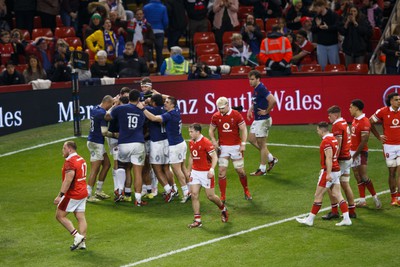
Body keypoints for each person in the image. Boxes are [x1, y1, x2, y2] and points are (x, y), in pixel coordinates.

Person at [296, 122, 352, 227]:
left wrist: (328, 173)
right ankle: (347, 218)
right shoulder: (334, 139)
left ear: (321, 130)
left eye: (317, 130)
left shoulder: (326, 142)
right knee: (337, 194)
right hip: (336, 170)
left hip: (329, 171)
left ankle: (310, 219)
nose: (317, 132)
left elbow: (329, 158)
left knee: (318, 195)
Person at [138, 96, 191, 203]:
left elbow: (153, 118)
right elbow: (168, 98)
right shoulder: (176, 110)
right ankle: (188, 189)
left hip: (173, 145)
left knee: (173, 169)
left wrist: (143, 108)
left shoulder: (168, 115)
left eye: (167, 102)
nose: (165, 103)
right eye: (164, 102)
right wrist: (156, 94)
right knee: (179, 168)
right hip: (180, 143)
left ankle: (184, 192)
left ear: (172, 105)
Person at [105, 89, 147, 206]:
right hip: (138, 143)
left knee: (122, 167)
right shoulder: (142, 111)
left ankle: (119, 190)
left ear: (129, 98)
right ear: (138, 99)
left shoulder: (120, 109)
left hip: (123, 143)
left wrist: (114, 106)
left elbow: (107, 117)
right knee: (137, 172)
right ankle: (138, 200)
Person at [209, 97, 252, 203]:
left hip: (236, 147)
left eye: (222, 108)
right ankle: (223, 196)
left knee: (240, 171)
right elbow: (211, 130)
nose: (221, 110)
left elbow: (244, 129)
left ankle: (246, 190)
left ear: (228, 105)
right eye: (219, 108)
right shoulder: (216, 116)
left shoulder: (236, 115)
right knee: (221, 172)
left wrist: (243, 144)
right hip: (223, 148)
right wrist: (214, 141)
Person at [187, 123, 229, 228]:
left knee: (210, 196)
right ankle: (197, 220)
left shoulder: (206, 142)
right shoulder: (191, 142)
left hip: (206, 172)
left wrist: (211, 169)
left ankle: (223, 209)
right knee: (194, 194)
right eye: (189, 132)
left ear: (198, 132)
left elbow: (214, 157)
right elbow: (192, 156)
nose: (190, 134)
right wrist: (189, 170)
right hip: (195, 172)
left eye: (191, 132)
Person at [321, 105, 357, 220]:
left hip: (341, 159)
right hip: (348, 157)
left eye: (330, 115)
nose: (328, 117)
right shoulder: (344, 122)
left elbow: (338, 144)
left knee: (330, 184)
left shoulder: (337, 125)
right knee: (345, 184)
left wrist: (333, 160)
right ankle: (352, 211)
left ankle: (334, 211)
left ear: (335, 115)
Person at [53, 141, 88, 250]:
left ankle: (77, 236)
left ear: (69, 149)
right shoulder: (81, 159)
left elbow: (68, 180)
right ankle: (82, 243)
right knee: (80, 217)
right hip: (83, 192)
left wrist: (60, 196)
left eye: (64, 148)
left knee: (59, 216)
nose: (62, 151)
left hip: (73, 194)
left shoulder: (70, 162)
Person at [349, 99, 382, 208]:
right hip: (353, 150)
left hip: (361, 152)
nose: (349, 109)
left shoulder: (364, 121)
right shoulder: (355, 119)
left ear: (356, 108)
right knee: (357, 176)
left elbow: (364, 141)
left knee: (363, 176)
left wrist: (354, 155)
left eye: (351, 107)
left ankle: (375, 197)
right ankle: (362, 200)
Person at [370, 92, 400, 206]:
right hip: (389, 146)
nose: (399, 101)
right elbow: (369, 122)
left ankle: (399, 197)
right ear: (391, 101)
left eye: (399, 99)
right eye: (396, 99)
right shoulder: (382, 111)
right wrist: (378, 136)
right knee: (391, 172)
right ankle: (393, 198)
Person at [246, 70, 278, 176]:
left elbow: (273, 100)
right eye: (249, 79)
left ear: (258, 79)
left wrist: (266, 111)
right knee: (251, 139)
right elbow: (256, 101)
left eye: (252, 79)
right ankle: (270, 158)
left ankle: (262, 169)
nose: (250, 81)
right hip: (258, 119)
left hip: (263, 120)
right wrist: (250, 109)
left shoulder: (261, 88)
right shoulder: (256, 89)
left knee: (262, 144)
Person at [86, 95, 114, 202]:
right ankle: (88, 194)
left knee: (107, 164)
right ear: (107, 103)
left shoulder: (95, 108)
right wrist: (117, 135)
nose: (110, 107)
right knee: (95, 169)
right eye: (111, 105)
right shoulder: (102, 114)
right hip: (96, 143)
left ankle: (98, 191)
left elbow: (106, 111)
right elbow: (104, 132)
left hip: (94, 141)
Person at [311, 0, 340, 70]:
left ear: (323, 7)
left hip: (333, 44)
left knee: (335, 66)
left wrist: (328, 27)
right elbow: (312, 30)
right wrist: (317, 26)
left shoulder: (333, 15)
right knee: (322, 67)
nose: (315, 10)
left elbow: (338, 27)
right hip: (321, 45)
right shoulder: (317, 17)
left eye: (317, 8)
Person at [143, 0, 168, 73]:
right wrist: (162, 27)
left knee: (148, 50)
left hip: (149, 32)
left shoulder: (146, 7)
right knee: (159, 51)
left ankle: (147, 69)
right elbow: (165, 21)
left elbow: (144, 20)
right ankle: (159, 70)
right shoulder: (163, 7)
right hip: (159, 31)